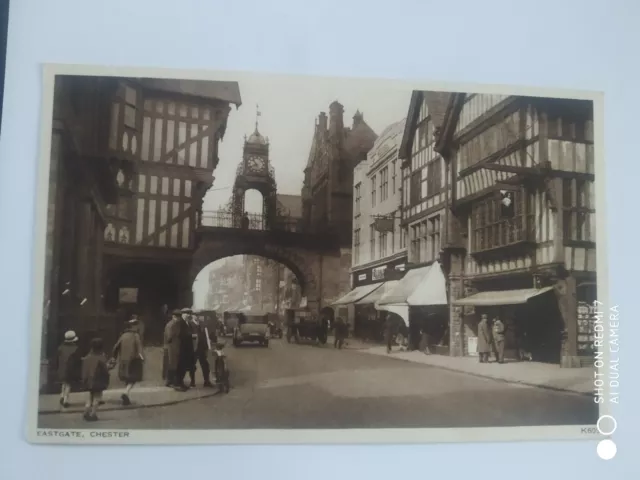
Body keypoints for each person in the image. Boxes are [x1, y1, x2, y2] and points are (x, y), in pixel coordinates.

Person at [112, 318, 144, 405]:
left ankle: (126, 396)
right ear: (134, 326)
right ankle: (126, 393)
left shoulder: (123, 335)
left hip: (123, 360)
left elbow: (115, 347)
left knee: (127, 378)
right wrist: (142, 357)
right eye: (136, 325)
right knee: (133, 379)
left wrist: (114, 357)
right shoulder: (136, 336)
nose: (138, 327)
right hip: (133, 360)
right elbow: (139, 347)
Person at [81, 338, 110, 422]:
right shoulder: (101, 357)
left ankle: (86, 412)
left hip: (89, 381)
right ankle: (93, 414)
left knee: (90, 396)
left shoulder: (87, 357)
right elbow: (105, 369)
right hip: (98, 380)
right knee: (97, 397)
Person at [57, 330, 80, 408]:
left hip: (61, 368)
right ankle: (66, 400)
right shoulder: (75, 349)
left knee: (64, 383)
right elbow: (77, 361)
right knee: (68, 385)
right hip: (70, 370)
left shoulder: (60, 348)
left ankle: (62, 396)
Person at [176, 308, 196, 389]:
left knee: (186, 367)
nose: (189, 315)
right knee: (181, 367)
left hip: (188, 349)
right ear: (183, 314)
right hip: (182, 348)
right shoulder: (180, 323)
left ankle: (182, 383)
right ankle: (179, 383)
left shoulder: (188, 323)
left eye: (189, 314)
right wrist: (191, 335)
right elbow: (179, 335)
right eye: (187, 313)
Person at [193, 313, 213, 387]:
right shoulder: (194, 326)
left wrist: (208, 346)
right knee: (192, 366)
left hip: (202, 349)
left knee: (205, 366)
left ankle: (206, 381)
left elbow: (207, 338)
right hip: (194, 349)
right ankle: (192, 382)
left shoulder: (205, 328)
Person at [163, 311, 181, 387]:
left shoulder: (170, 324)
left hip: (171, 346)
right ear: (174, 317)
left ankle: (171, 381)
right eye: (178, 317)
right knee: (172, 364)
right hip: (172, 347)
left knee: (171, 364)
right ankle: (170, 381)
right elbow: (169, 337)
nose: (179, 319)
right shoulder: (172, 324)